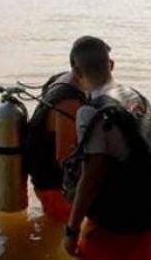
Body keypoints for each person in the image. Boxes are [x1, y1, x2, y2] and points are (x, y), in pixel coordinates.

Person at [63, 36, 151, 260]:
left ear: (77, 73)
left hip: (113, 224)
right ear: (111, 65)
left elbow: (91, 176)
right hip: (147, 216)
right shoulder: (136, 96)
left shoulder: (90, 112)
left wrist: (72, 229)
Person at [26, 69, 86, 222]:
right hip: (54, 187)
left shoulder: (60, 79)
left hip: (43, 178)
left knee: (53, 227)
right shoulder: (69, 102)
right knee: (60, 233)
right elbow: (64, 158)